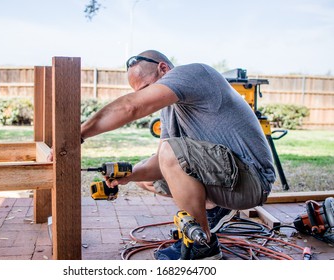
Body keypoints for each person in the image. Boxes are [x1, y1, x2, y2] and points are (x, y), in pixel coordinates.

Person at [68, 50, 275, 260]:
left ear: (164, 69)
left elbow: (131, 106)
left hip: (251, 180)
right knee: (146, 177)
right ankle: (212, 210)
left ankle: (202, 245)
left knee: (169, 152)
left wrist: (78, 134)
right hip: (228, 177)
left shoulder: (194, 73)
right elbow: (161, 163)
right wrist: (129, 176)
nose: (146, 95)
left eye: (147, 89)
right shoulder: (169, 110)